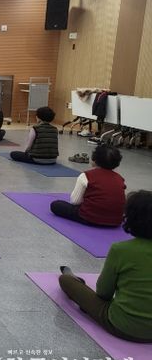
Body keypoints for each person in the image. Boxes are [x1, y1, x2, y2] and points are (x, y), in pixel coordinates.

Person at [58, 190, 152, 343]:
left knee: (66, 280)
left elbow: (103, 293)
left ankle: (76, 283)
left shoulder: (121, 250)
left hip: (123, 326)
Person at [50, 145, 126, 226]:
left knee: (56, 205)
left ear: (94, 159)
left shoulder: (86, 175)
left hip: (90, 218)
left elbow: (74, 201)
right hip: (115, 221)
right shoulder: (120, 178)